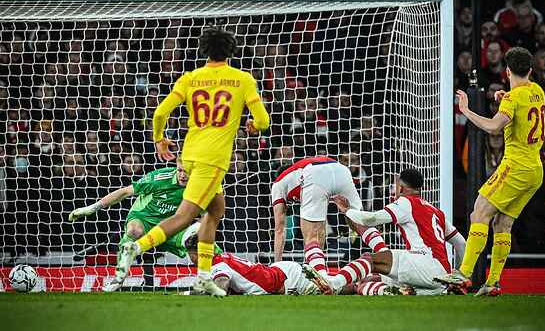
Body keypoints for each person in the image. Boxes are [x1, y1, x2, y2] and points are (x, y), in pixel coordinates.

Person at [116, 27, 270, 296]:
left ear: (204, 51)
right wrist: (254, 126)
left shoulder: (190, 78)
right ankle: (136, 247)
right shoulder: (243, 79)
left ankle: (203, 277)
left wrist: (159, 139)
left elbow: (160, 113)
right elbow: (264, 121)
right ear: (231, 52)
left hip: (189, 154)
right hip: (212, 159)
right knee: (185, 216)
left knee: (216, 211)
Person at [436, 47, 545, 295]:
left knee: (479, 213)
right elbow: (524, 107)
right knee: (502, 223)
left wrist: (466, 111)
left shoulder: (512, 99)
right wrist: (506, 98)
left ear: (507, 71)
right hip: (535, 170)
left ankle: (463, 274)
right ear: (530, 70)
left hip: (516, 167)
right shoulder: (537, 91)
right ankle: (492, 283)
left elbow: (494, 127)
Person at [304, 168, 466, 296]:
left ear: (401, 187)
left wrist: (347, 210)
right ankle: (400, 292)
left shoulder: (406, 202)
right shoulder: (436, 211)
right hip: (441, 277)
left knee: (369, 259)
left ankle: (332, 283)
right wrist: (459, 275)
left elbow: (371, 219)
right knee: (373, 278)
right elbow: (461, 243)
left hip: (424, 263)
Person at [68, 161, 211, 291]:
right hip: (144, 218)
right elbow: (125, 192)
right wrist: (91, 208)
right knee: (134, 231)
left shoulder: (201, 187)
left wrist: (196, 230)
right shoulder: (159, 178)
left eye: (187, 172)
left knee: (198, 247)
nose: (182, 175)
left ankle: (213, 279)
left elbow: (207, 215)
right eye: (179, 170)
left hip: (173, 225)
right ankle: (118, 279)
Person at [271, 155, 362, 277]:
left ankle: (315, 274)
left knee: (312, 235)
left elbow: (279, 229)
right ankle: (381, 250)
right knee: (360, 222)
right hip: (340, 169)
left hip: (315, 172)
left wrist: (277, 265)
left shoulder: (278, 184)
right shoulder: (298, 176)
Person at [183, 231, 321, 296]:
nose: (191, 257)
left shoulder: (217, 265)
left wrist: (190, 294)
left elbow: (221, 287)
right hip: (278, 271)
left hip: (289, 279)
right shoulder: (221, 258)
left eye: (191, 253)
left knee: (330, 290)